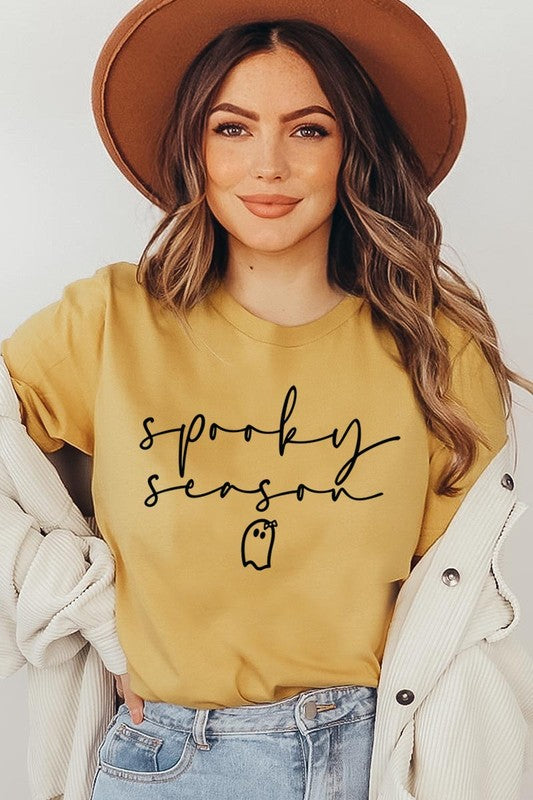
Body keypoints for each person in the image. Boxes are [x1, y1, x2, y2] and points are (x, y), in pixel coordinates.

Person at [1, 1, 531, 798]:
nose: (269, 166)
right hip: (165, 763)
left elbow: (455, 621)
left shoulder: (434, 349)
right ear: (196, 146)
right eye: (233, 128)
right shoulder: (108, 322)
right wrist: (72, 598)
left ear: (352, 148)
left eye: (308, 129)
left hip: (375, 761)